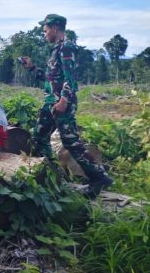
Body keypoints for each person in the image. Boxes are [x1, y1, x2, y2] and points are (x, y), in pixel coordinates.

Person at [20, 14, 113, 197]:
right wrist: (31, 68)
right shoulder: (56, 50)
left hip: (62, 103)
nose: (44, 34)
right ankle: (52, 174)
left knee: (71, 142)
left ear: (55, 28)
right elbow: (51, 79)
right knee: (39, 137)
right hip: (50, 103)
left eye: (45, 30)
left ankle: (99, 177)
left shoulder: (66, 47)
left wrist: (64, 100)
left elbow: (71, 78)